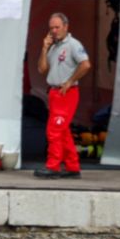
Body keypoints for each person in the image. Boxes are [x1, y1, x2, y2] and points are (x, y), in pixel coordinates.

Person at [35, 13, 90, 179]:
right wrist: (44, 48)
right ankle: (73, 167)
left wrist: (70, 81)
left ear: (66, 26)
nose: (54, 30)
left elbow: (86, 64)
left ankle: (53, 167)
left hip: (66, 93)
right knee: (63, 131)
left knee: (54, 130)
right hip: (54, 92)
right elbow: (42, 69)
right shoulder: (53, 46)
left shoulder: (73, 44)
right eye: (51, 28)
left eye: (57, 27)